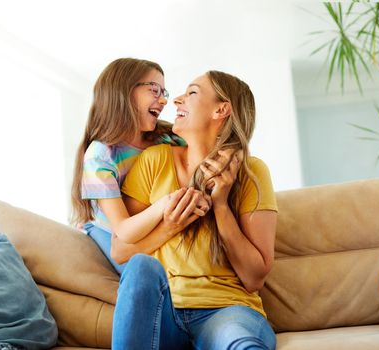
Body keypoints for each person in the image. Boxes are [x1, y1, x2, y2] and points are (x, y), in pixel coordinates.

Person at [112, 70, 278, 349]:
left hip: (226, 310)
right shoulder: (154, 160)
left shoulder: (252, 172)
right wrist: (172, 224)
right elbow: (120, 251)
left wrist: (221, 205)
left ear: (221, 109)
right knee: (142, 267)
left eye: (191, 93)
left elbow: (254, 278)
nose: (176, 100)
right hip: (164, 310)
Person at [71, 58, 209, 274]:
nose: (163, 101)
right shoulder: (100, 156)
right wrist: (167, 204)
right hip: (113, 234)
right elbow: (124, 230)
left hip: (154, 224)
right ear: (123, 92)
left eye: (164, 93)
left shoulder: (168, 139)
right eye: (155, 90)